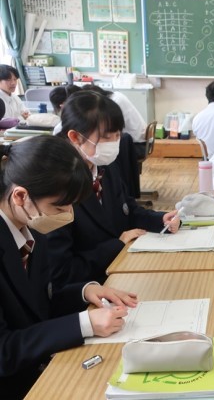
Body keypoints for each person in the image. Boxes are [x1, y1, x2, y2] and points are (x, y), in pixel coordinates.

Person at [0, 135, 137, 399]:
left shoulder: (31, 227)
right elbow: (4, 351)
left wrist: (85, 292)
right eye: (59, 207)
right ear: (20, 196)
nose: (68, 215)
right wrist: (83, 324)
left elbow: (38, 304)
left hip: (41, 366)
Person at [47, 91, 180, 288]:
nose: (113, 144)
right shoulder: (56, 185)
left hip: (121, 267)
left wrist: (160, 220)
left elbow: (127, 209)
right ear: (75, 137)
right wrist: (116, 245)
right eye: (105, 137)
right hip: (90, 287)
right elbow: (63, 272)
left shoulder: (103, 165)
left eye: (117, 135)